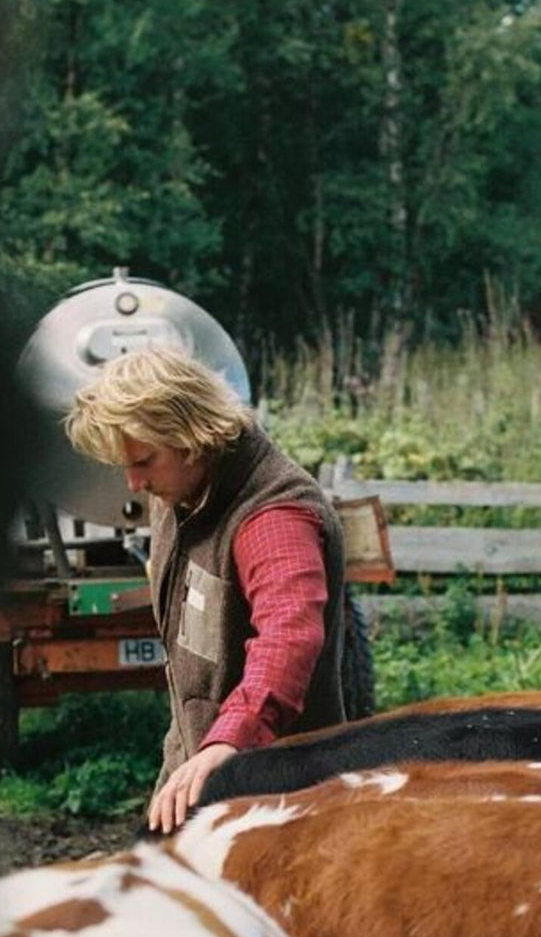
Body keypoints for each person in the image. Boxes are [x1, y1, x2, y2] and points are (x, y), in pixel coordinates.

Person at [66, 348, 346, 832]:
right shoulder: (185, 492)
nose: (134, 483)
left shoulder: (272, 517)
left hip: (279, 799)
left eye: (145, 462)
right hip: (199, 777)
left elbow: (289, 636)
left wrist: (228, 741)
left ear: (191, 439)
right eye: (125, 466)